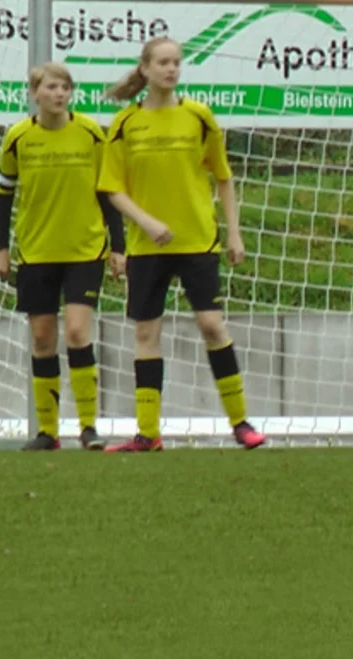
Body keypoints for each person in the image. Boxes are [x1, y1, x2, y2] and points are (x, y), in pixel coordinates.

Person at [97, 37, 266, 452]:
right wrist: (147, 222)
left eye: (177, 62)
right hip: (146, 247)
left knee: (211, 325)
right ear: (146, 68)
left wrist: (234, 232)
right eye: (163, 62)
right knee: (146, 334)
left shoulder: (199, 117)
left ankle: (241, 423)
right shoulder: (124, 124)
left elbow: (223, 177)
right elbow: (111, 189)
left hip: (197, 242)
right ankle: (147, 433)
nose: (172, 69)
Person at [0, 62, 125, 451]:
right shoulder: (18, 138)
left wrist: (118, 247)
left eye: (65, 87)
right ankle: (48, 432)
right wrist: (0, 248)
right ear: (35, 92)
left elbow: (107, 192)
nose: (59, 93)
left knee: (78, 332)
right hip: (36, 251)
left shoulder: (89, 134)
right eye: (51, 87)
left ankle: (88, 427)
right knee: (42, 337)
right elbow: (4, 196)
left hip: (85, 250)